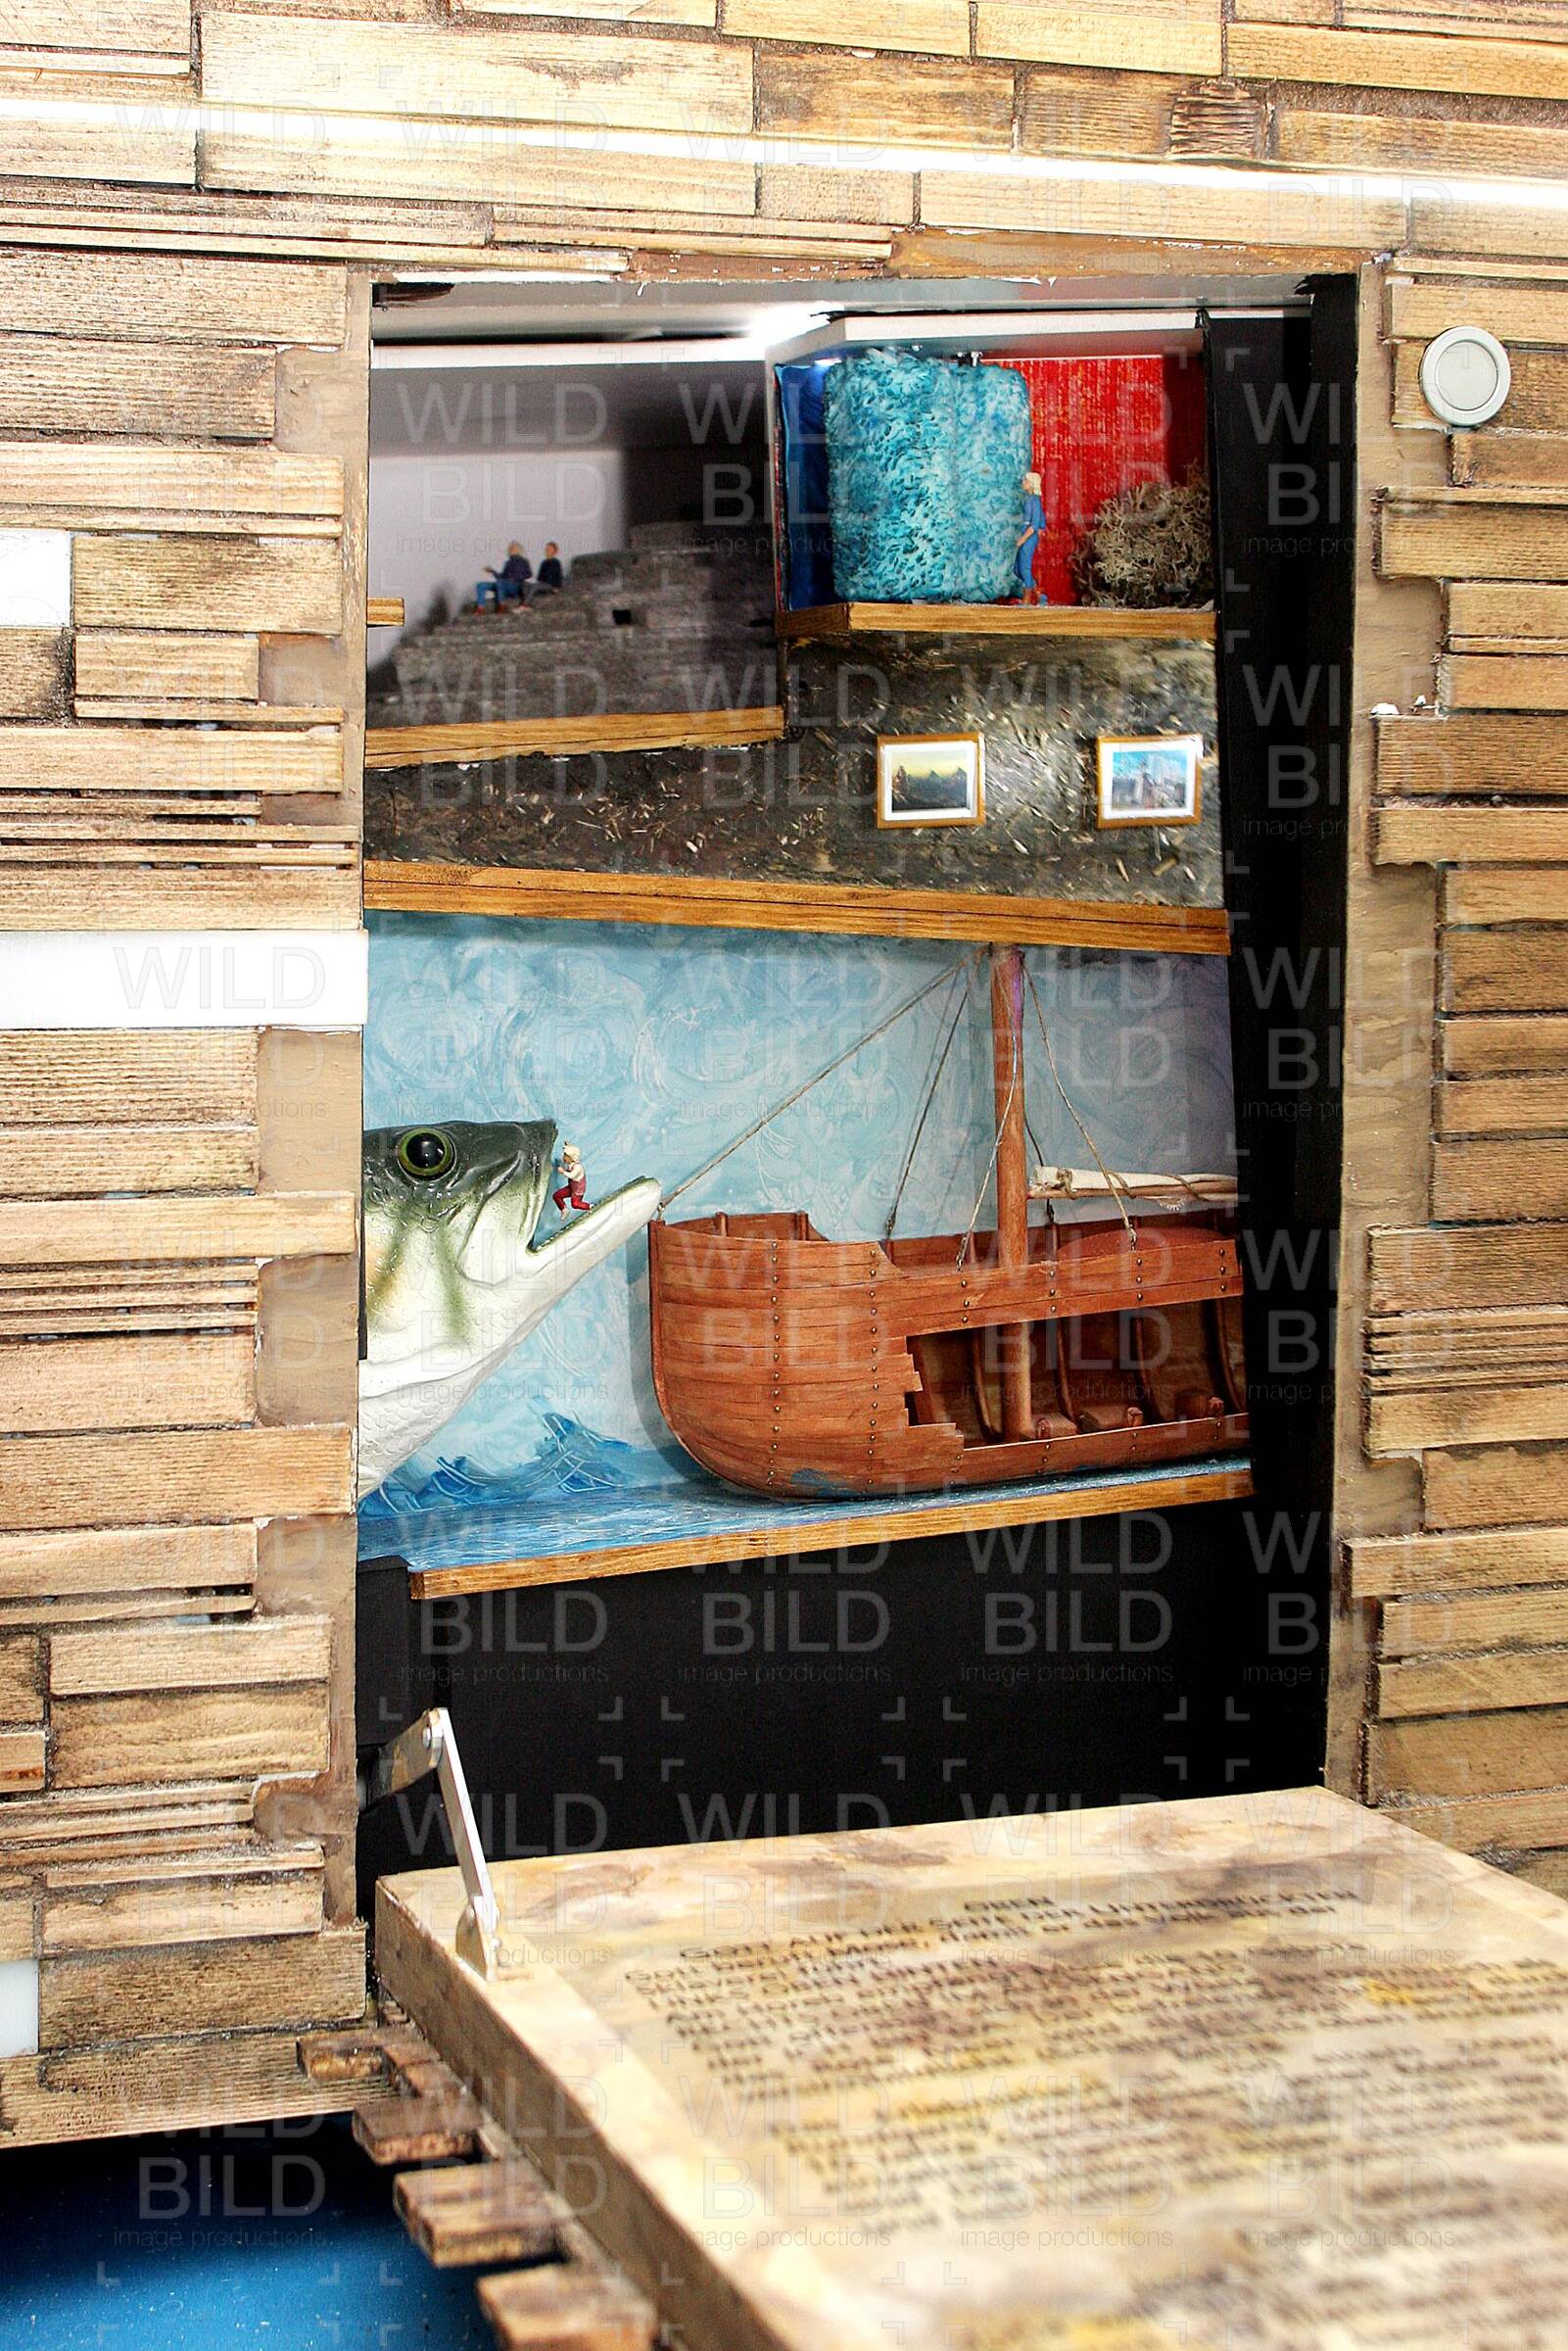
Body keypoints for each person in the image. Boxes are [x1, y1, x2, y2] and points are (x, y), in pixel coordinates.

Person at [1014, 471, 1048, 606]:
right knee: (1017, 569)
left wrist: (1023, 539)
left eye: (1026, 481)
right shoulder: (1027, 499)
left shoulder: (1035, 501)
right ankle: (1039, 594)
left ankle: (1027, 597)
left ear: (1032, 484)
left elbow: (1035, 524)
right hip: (1024, 532)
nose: (1023, 483)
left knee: (1024, 567)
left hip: (1029, 536)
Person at [475, 542, 532, 610]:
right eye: (510, 548)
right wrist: (492, 571)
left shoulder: (524, 561)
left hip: (514, 586)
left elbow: (529, 574)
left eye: (513, 548)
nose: (511, 550)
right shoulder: (508, 562)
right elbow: (501, 577)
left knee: (500, 583)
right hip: (503, 584)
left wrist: (517, 577)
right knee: (481, 585)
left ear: (518, 550)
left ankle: (502, 606)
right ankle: (480, 607)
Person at [552, 1143, 591, 1214]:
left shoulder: (578, 1167)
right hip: (571, 1188)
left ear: (571, 1157)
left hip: (578, 1190)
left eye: (566, 1156)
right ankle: (564, 1209)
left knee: (575, 1204)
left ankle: (589, 1207)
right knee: (556, 1196)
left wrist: (563, 1172)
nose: (564, 1157)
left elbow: (572, 1175)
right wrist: (568, 1146)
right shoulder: (570, 1165)